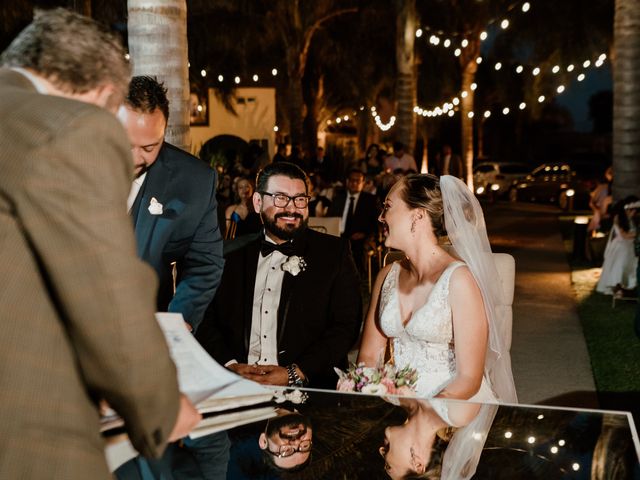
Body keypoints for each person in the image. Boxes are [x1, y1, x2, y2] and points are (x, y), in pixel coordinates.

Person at [0, 9, 200, 478]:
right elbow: (106, 293)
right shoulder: (69, 126)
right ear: (102, 94)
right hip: (30, 435)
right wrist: (161, 406)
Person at [196, 162, 362, 389]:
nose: (292, 209)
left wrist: (295, 373)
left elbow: (346, 326)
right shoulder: (229, 255)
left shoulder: (334, 254)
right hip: (235, 384)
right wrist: (231, 365)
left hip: (307, 388)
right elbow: (206, 318)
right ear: (257, 202)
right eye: (280, 198)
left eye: (300, 199)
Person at [357, 174, 517, 404]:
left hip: (453, 402)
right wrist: (372, 395)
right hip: (394, 401)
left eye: (388, 208)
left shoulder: (459, 281)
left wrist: (422, 419)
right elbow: (369, 357)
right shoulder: (386, 276)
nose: (381, 217)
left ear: (418, 215)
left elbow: (469, 379)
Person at [119, 76, 224, 332]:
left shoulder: (194, 182)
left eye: (148, 147)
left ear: (164, 132)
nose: (134, 158)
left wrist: (180, 320)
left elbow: (205, 262)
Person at [379, 397, 496, 480]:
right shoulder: (459, 412)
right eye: (388, 466)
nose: (381, 450)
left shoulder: (388, 395)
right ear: (418, 465)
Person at [327, 168, 381, 274]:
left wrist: (364, 234)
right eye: (351, 180)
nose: (354, 183)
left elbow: (377, 223)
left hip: (361, 238)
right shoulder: (338, 198)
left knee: (357, 250)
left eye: (358, 181)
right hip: (339, 235)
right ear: (347, 182)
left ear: (363, 183)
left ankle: (358, 279)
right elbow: (329, 218)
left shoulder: (371, 200)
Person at [596, 196, 639, 295]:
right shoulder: (618, 218)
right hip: (620, 246)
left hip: (630, 245)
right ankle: (617, 287)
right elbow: (624, 235)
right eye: (632, 211)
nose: (634, 213)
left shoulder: (631, 220)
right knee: (620, 264)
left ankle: (628, 286)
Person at [587, 166, 613, 235]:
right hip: (602, 216)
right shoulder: (602, 187)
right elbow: (591, 203)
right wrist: (597, 211)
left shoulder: (609, 188)